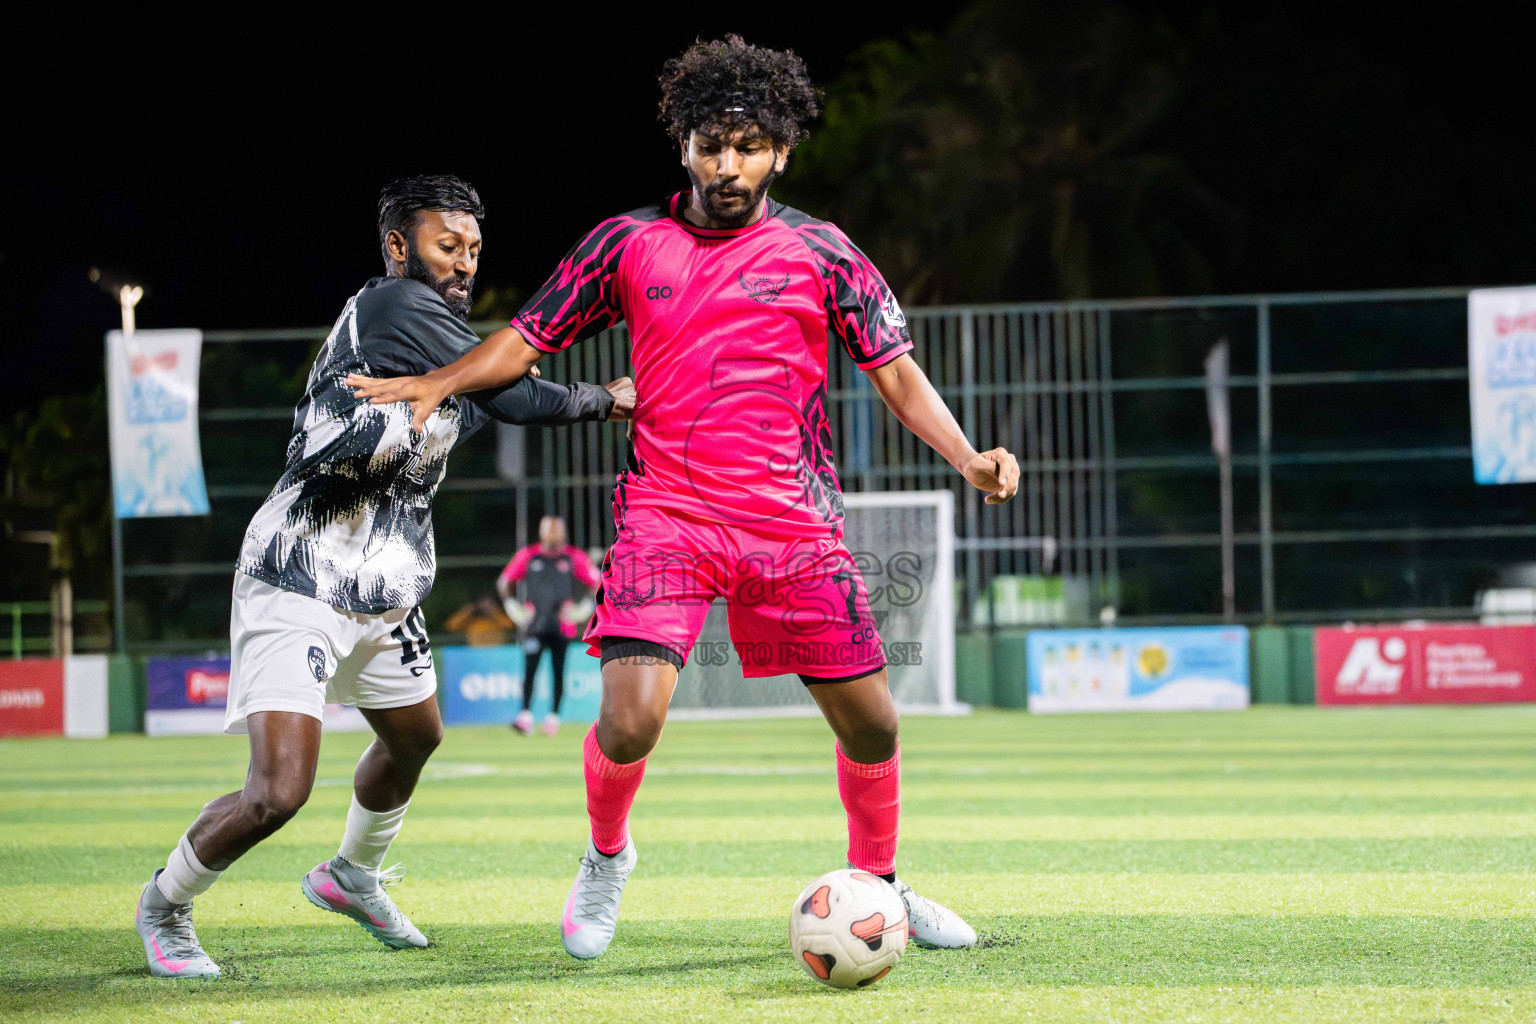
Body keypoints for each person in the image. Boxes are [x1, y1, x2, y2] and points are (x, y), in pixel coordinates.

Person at [348, 38, 1019, 962]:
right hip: (669, 515)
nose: (727, 164)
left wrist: (968, 458)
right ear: (684, 147)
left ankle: (881, 889)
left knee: (874, 722)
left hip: (792, 524)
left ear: (780, 152)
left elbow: (897, 376)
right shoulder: (626, 243)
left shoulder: (824, 252)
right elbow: (529, 339)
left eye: (748, 146)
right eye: (711, 144)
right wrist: (443, 381)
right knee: (630, 722)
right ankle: (607, 857)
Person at [132, 175, 634, 979]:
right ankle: (165, 902)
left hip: (387, 584)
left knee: (416, 737)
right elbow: (515, 393)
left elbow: (491, 386)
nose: (465, 263)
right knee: (276, 794)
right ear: (398, 247)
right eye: (447, 245)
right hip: (301, 568)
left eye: (473, 249)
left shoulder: (451, 354)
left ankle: (351, 875)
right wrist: (605, 400)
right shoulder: (393, 309)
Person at [497, 515, 600, 736]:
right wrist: (512, 606)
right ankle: (525, 716)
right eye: (549, 529)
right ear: (541, 531)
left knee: (558, 672)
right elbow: (504, 582)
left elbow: (597, 582)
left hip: (562, 627)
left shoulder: (573, 557)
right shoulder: (529, 556)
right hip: (534, 625)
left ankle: (553, 718)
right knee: (530, 671)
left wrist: (583, 608)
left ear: (564, 532)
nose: (553, 533)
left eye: (557, 529)